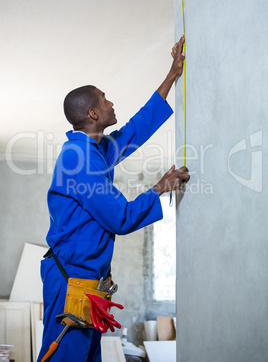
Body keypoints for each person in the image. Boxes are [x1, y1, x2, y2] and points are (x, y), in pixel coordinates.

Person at [37, 35, 190, 362]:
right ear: (93, 113)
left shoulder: (95, 149)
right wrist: (160, 187)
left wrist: (172, 75)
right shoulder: (78, 158)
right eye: (106, 100)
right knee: (66, 358)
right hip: (70, 283)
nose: (112, 103)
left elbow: (135, 130)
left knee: (87, 357)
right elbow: (119, 217)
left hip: (87, 282)